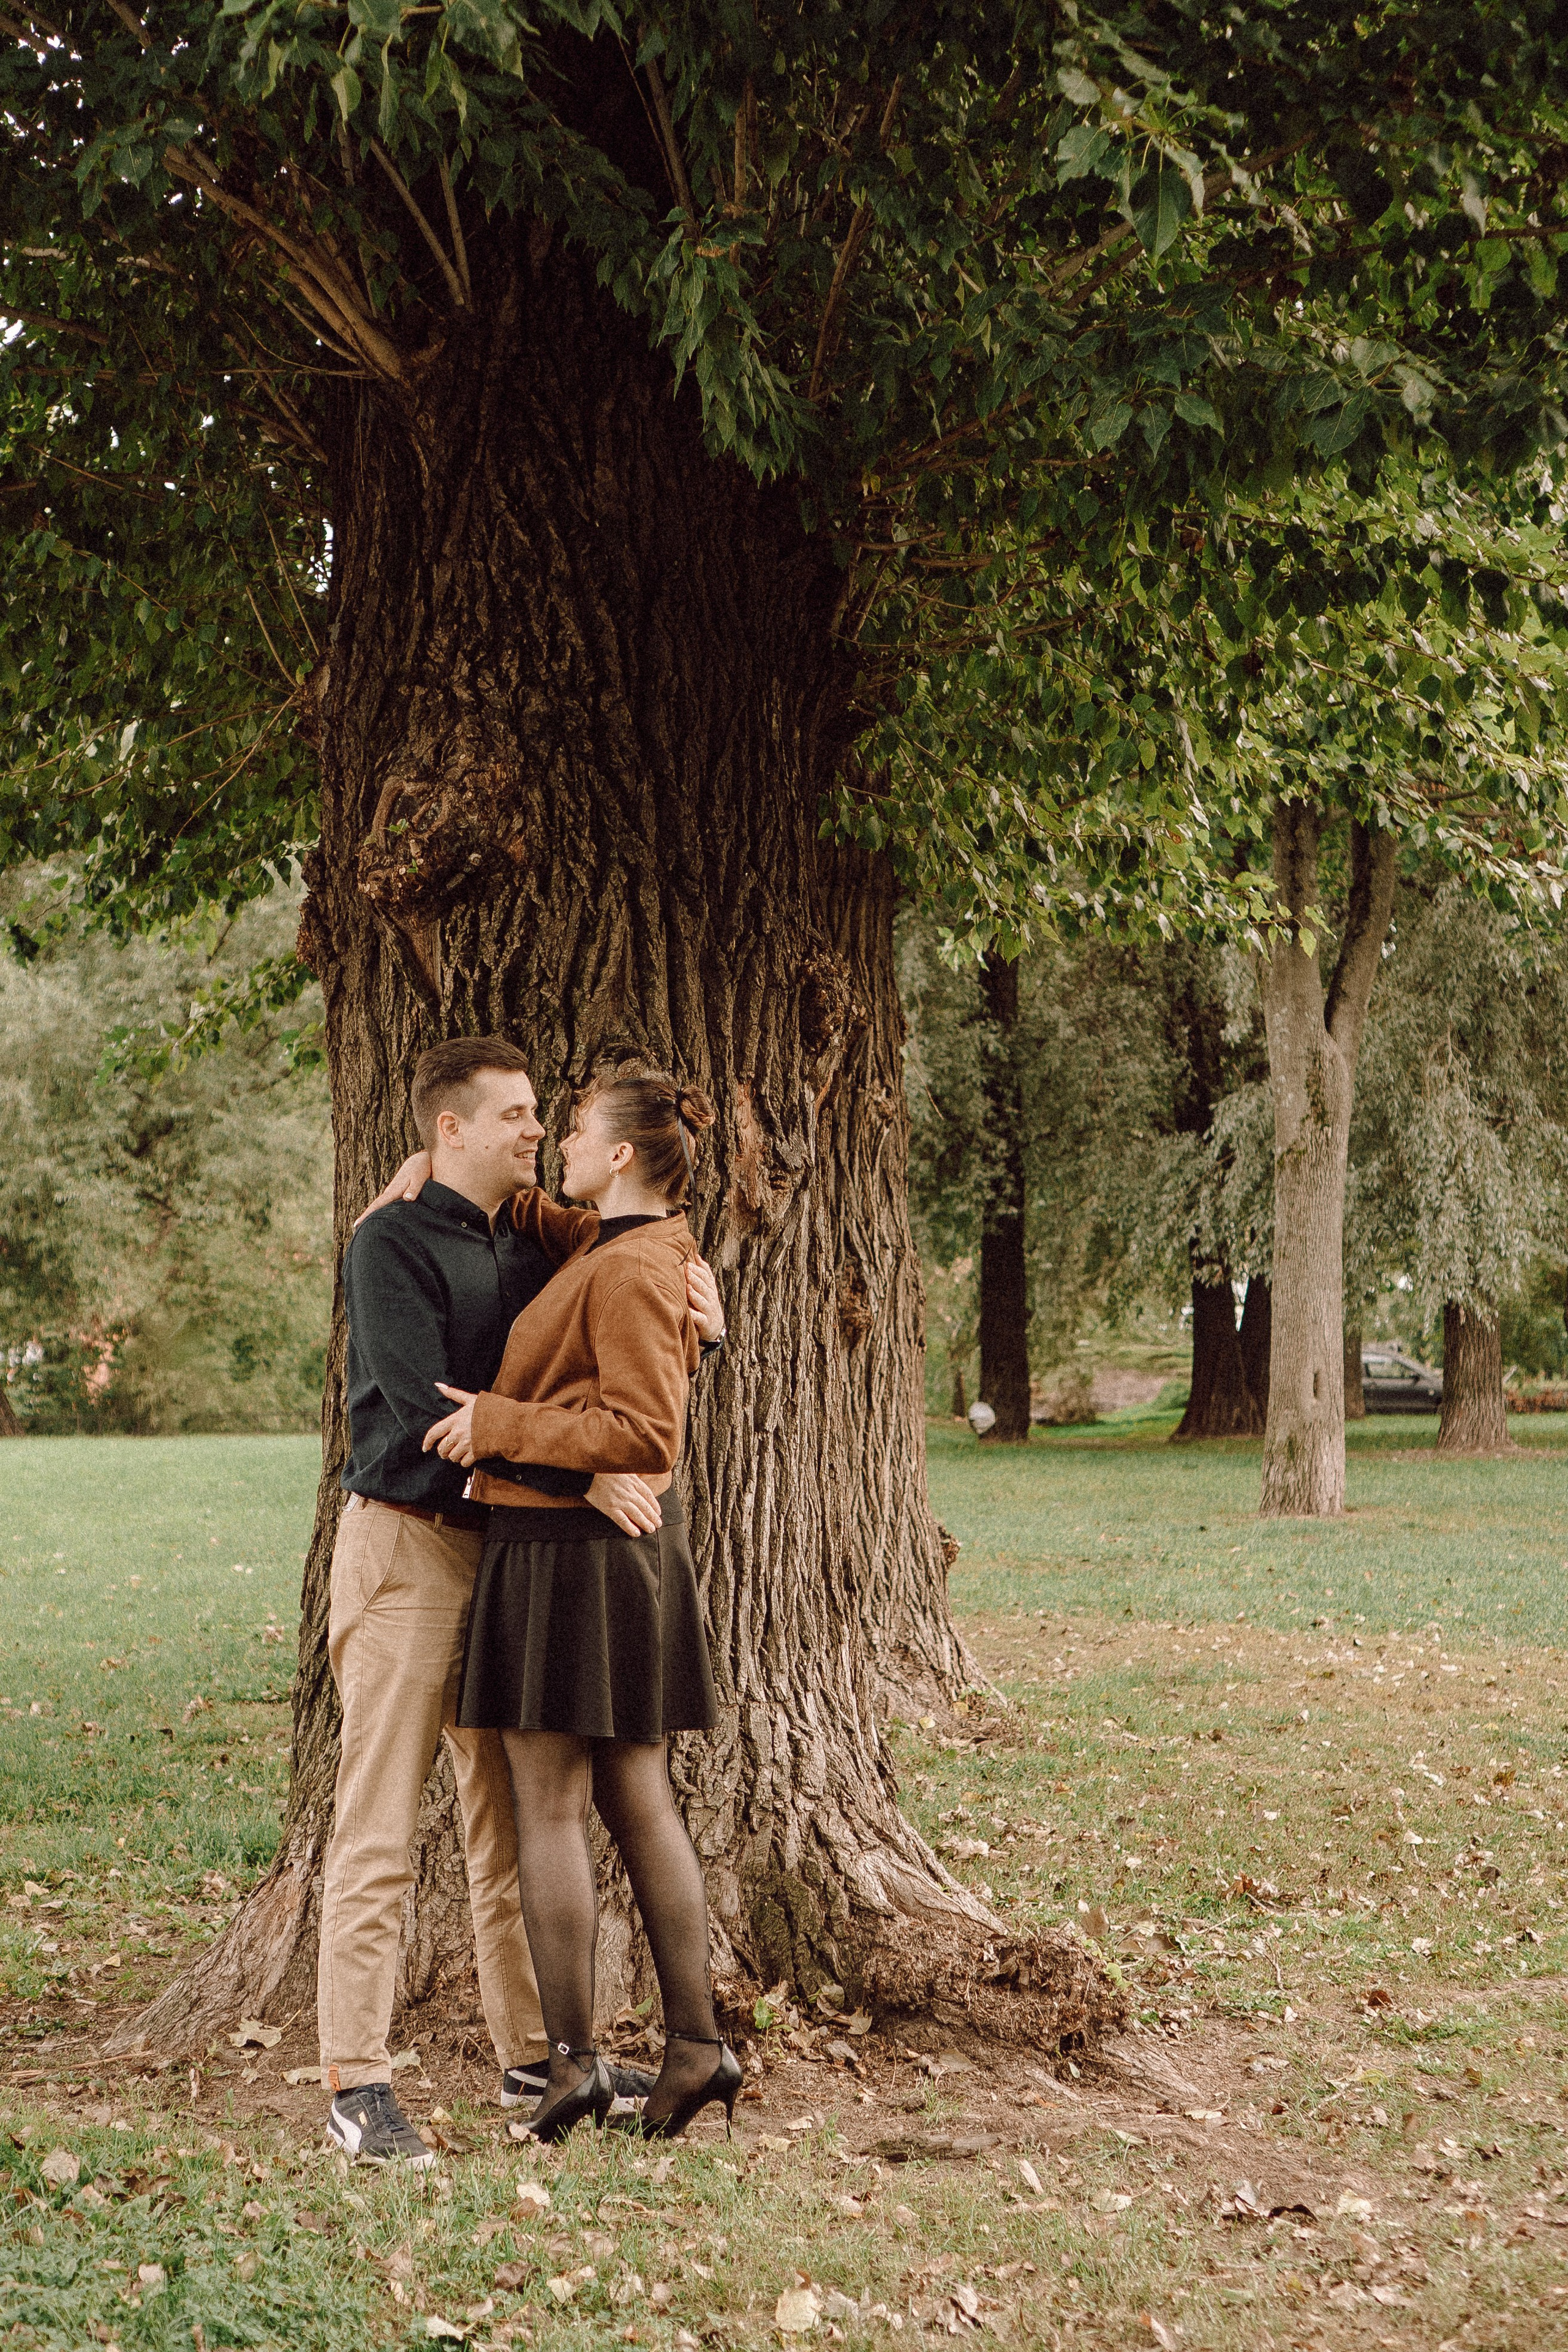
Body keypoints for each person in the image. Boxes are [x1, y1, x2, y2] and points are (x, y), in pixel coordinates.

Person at [320, 1037, 725, 2168]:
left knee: (507, 1828)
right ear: (448, 1130)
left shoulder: (549, 1238)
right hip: (408, 1554)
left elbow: (616, 1341)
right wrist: (580, 1469)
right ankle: (357, 2083)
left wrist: (707, 1319)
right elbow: (417, 1416)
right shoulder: (392, 1242)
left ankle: (540, 2057)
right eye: (514, 1115)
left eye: (547, 1115)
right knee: (380, 1829)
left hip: (509, 1560)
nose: (536, 1130)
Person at [423, 1071, 742, 2143]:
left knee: (557, 1802)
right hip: (586, 1554)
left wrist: (505, 1424)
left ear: (618, 1157)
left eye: (574, 1131)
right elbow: (523, 1204)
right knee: (628, 1792)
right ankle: (690, 2048)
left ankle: (578, 2066)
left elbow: (646, 1437)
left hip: (574, 1555)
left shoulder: (641, 1265)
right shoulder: (614, 1245)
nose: (555, 1140)